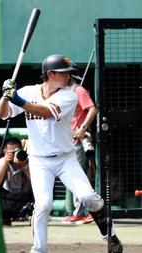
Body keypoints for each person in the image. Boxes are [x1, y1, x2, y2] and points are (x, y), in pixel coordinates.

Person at [0, 54, 123, 253]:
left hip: (65, 158)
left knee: (87, 197)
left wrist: (16, 98)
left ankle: (107, 231)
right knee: (43, 204)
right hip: (38, 160)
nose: (69, 77)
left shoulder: (69, 96)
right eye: (64, 74)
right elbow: (1, 113)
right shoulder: (28, 91)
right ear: (50, 74)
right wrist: (5, 95)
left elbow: (45, 112)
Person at [62, 65, 98, 224]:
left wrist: (83, 128)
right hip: (69, 139)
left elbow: (92, 109)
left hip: (79, 139)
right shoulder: (67, 93)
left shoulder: (79, 91)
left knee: (81, 175)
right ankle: (79, 212)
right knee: (76, 175)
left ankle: (85, 212)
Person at [0, 137, 33, 225]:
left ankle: (34, 217)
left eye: (17, 151)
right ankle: (4, 217)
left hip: (26, 196)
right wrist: (5, 163)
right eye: (12, 152)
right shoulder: (1, 163)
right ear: (4, 152)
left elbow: (37, 182)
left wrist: (24, 166)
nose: (15, 154)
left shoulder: (30, 161)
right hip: (8, 197)